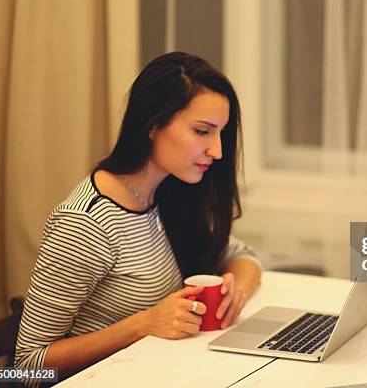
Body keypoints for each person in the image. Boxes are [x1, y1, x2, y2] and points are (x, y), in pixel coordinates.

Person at [14, 52, 262, 384]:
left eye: (221, 133)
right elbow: (27, 367)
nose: (217, 151)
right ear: (153, 124)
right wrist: (142, 324)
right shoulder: (85, 224)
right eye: (203, 131)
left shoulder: (170, 192)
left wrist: (236, 293)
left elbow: (242, 256)